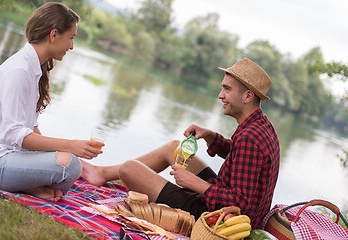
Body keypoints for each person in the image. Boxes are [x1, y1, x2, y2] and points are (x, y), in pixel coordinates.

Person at [81, 57, 280, 229]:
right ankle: (101, 173)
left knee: (129, 169)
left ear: (247, 96)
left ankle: (115, 180)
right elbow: (241, 159)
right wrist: (210, 136)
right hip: (223, 203)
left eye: (227, 89)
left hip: (217, 219)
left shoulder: (249, 138)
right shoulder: (261, 126)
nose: (220, 95)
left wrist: (194, 183)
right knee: (174, 147)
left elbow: (240, 204)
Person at [0, 2, 104, 202]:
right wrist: (68, 146)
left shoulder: (34, 68)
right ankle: (27, 186)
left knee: (68, 161)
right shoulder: (20, 70)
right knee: (70, 165)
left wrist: (61, 149)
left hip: (10, 156)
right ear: (53, 35)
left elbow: (30, 127)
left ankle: (28, 185)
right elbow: (14, 134)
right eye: (71, 38)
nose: (71, 46)